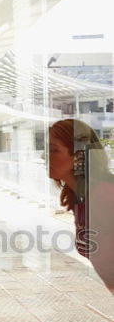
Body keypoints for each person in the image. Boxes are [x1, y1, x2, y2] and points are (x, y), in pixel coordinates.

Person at [49, 118, 114, 293]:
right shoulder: (80, 197)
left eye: (54, 150)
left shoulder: (103, 194)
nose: (45, 156)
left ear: (79, 155)